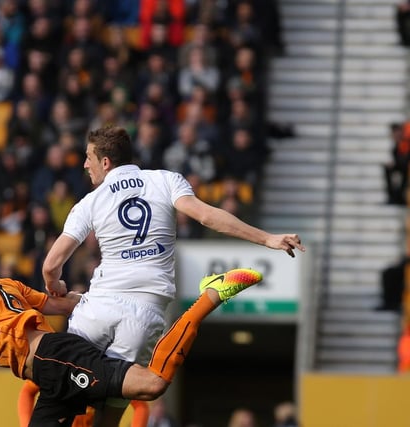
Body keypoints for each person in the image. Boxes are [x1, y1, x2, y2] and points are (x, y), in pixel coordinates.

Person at [33, 125, 305, 426]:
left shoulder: (89, 202)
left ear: (106, 162)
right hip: (145, 314)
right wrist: (267, 239)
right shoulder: (165, 180)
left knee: (65, 392)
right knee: (110, 412)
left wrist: (54, 284)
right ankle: (211, 295)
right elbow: (207, 216)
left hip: (96, 308)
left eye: (88, 157)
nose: (85, 164)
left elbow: (51, 264)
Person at [0, 250, 262, 427]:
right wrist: (93, 298)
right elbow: (60, 302)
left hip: (54, 359)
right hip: (49, 373)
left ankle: (209, 297)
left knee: (152, 385)